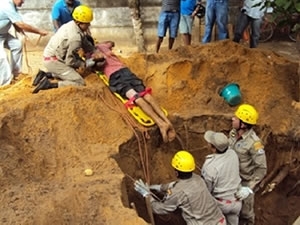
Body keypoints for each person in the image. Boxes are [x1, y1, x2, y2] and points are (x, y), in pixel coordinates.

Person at [95, 40, 176, 143]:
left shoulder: (92, 55)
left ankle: (161, 124)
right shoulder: (103, 46)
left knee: (136, 98)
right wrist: (104, 46)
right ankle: (167, 121)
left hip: (116, 77)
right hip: (125, 71)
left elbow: (94, 66)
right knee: (145, 94)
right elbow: (112, 42)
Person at [134, 150, 226, 225]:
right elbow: (175, 184)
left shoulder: (178, 192)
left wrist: (147, 195)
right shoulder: (198, 179)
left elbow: (159, 209)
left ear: (176, 172)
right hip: (220, 220)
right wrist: (158, 187)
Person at [32, 5, 100, 94]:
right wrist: (86, 63)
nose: (89, 25)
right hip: (53, 61)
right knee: (79, 82)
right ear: (79, 22)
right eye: (87, 23)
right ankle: (49, 85)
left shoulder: (71, 24)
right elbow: (70, 61)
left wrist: (95, 51)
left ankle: (44, 75)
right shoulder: (75, 38)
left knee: (73, 69)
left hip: (51, 55)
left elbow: (84, 42)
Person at [228, 104, 267, 225]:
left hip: (245, 181)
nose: (232, 119)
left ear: (243, 124)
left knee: (246, 213)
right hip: (232, 179)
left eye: (236, 118)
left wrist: (249, 188)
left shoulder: (255, 143)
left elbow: (262, 168)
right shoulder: (233, 133)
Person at [0, 0, 48, 86]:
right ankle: (5, 84)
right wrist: (39, 31)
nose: (23, 2)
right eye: (22, 0)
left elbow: (14, 22)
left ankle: (16, 74)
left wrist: (22, 33)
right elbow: (20, 24)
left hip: (2, 34)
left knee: (17, 45)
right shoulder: (6, 5)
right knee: (2, 58)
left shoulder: (12, 5)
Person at [202, 130, 242, 225]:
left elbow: (207, 189)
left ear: (214, 148)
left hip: (221, 204)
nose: (207, 144)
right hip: (236, 202)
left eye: (209, 143)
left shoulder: (209, 166)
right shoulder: (233, 154)